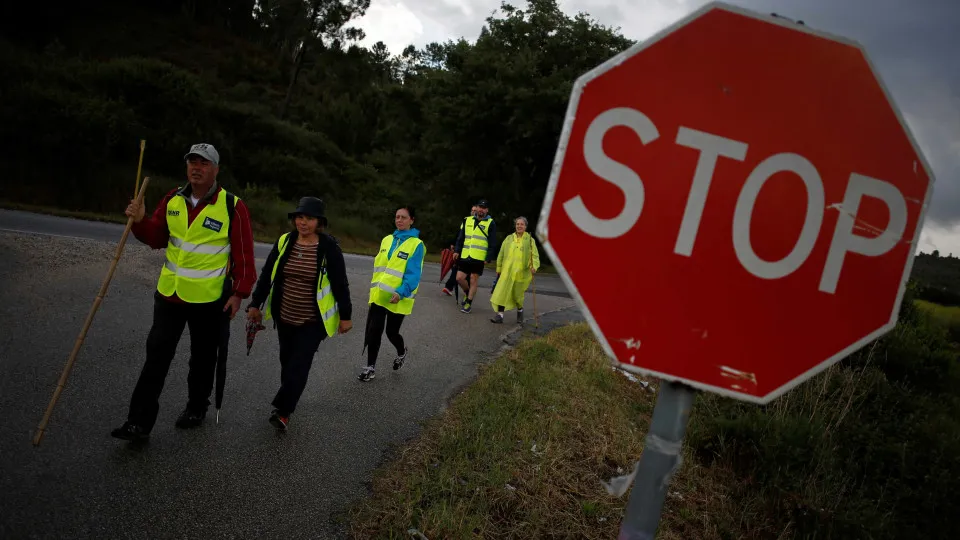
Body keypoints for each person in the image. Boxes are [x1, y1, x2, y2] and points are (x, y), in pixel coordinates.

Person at [111, 143, 257, 442]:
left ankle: (196, 407)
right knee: (156, 358)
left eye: (204, 163)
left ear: (215, 169)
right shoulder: (173, 199)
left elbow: (244, 255)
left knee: (203, 358)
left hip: (209, 299)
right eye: (192, 161)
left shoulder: (232, 206)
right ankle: (138, 423)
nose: (196, 167)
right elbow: (155, 237)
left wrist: (239, 293)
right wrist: (139, 220)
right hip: (169, 295)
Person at [245, 196, 353, 430]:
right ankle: (288, 400)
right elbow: (268, 275)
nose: (303, 222)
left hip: (313, 321)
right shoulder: (285, 241)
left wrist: (346, 316)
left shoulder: (328, 248)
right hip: (284, 315)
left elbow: (340, 284)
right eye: (299, 217)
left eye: (309, 218)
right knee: (287, 361)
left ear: (319, 222)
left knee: (300, 363)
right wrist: (255, 304)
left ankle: (283, 411)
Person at [358, 205, 425, 382]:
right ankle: (370, 367)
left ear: (412, 220)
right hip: (380, 296)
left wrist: (401, 292)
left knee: (391, 332)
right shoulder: (387, 239)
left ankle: (402, 352)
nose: (399, 220)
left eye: (403, 217)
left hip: (399, 298)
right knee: (374, 331)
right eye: (397, 217)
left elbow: (413, 274)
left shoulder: (416, 245)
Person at [489, 216, 540, 325]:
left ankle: (520, 310)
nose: (519, 226)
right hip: (506, 272)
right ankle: (499, 316)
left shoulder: (530, 240)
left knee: (517, 296)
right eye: (517, 224)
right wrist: (499, 267)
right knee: (502, 292)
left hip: (520, 273)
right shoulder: (508, 238)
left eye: (522, 224)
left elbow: (534, 256)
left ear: (525, 226)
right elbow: (501, 253)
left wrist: (534, 266)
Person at [453, 199, 497, 314]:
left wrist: (488, 257)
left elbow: (492, 242)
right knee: (459, 278)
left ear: (487, 210)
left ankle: (469, 303)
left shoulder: (490, 223)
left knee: (473, 279)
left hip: (479, 257)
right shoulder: (467, 220)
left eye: (483, 208)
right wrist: (457, 250)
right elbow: (461, 238)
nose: (481, 210)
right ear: (476, 208)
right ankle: (468, 293)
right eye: (479, 207)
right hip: (465, 255)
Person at [441, 205, 477, 297]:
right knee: (457, 269)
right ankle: (451, 287)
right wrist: (454, 245)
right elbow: (460, 234)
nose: (473, 212)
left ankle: (453, 287)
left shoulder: (480, 223)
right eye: (472, 210)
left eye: (475, 211)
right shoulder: (466, 220)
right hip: (462, 250)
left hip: (473, 251)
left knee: (464, 271)